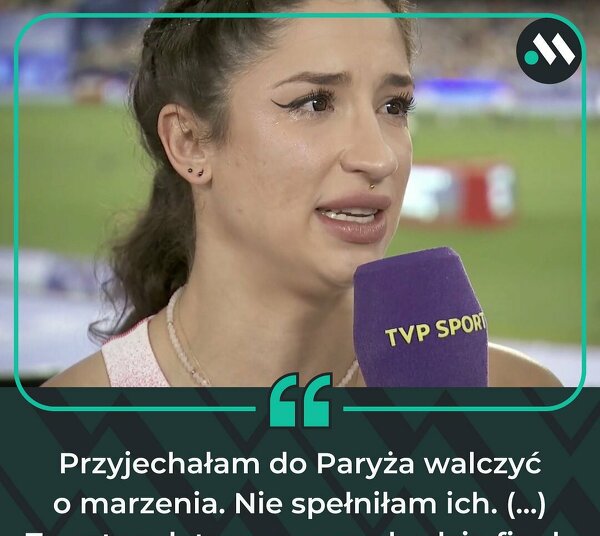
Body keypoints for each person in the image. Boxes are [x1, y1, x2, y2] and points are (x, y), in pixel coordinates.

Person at [43, 0, 560, 388]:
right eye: (314, 103)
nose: (379, 157)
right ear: (189, 142)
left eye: (394, 106)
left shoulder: (514, 399)